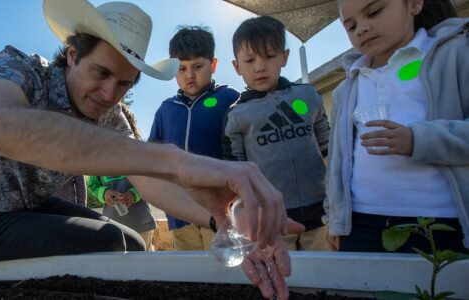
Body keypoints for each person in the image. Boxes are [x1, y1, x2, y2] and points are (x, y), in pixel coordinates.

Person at [0, 0, 300, 298]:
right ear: (73, 54)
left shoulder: (111, 114)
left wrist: (224, 221)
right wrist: (175, 159)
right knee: (107, 240)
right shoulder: (19, 68)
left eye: (124, 83)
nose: (109, 94)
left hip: (27, 208)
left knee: (132, 242)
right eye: (101, 73)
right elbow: (2, 126)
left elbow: (149, 179)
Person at [325, 0, 469, 253]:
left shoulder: (455, 55)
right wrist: (337, 219)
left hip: (443, 221)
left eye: (374, 12)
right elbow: (338, 162)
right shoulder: (346, 88)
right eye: (351, 26)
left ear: (414, 4)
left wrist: (417, 140)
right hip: (361, 223)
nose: (362, 29)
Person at [222, 16, 330, 251]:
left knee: (326, 277)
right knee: (284, 278)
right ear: (236, 67)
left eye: (269, 56)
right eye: (250, 60)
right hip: (271, 219)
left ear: (284, 57)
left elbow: (329, 150)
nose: (260, 67)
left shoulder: (309, 96)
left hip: (322, 212)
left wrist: (337, 203)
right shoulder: (236, 115)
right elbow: (236, 173)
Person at [148, 26, 240, 251]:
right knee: (191, 277)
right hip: (179, 217)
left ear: (214, 65)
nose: (189, 75)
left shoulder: (230, 99)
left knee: (227, 275)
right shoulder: (166, 110)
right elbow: (151, 157)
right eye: (181, 68)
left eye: (197, 66)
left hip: (222, 213)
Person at [87, 103, 156, 251]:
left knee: (145, 263)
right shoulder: (97, 159)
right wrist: (104, 193)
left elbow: (150, 182)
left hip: (142, 223)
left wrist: (133, 194)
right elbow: (93, 185)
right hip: (112, 226)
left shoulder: (139, 154)